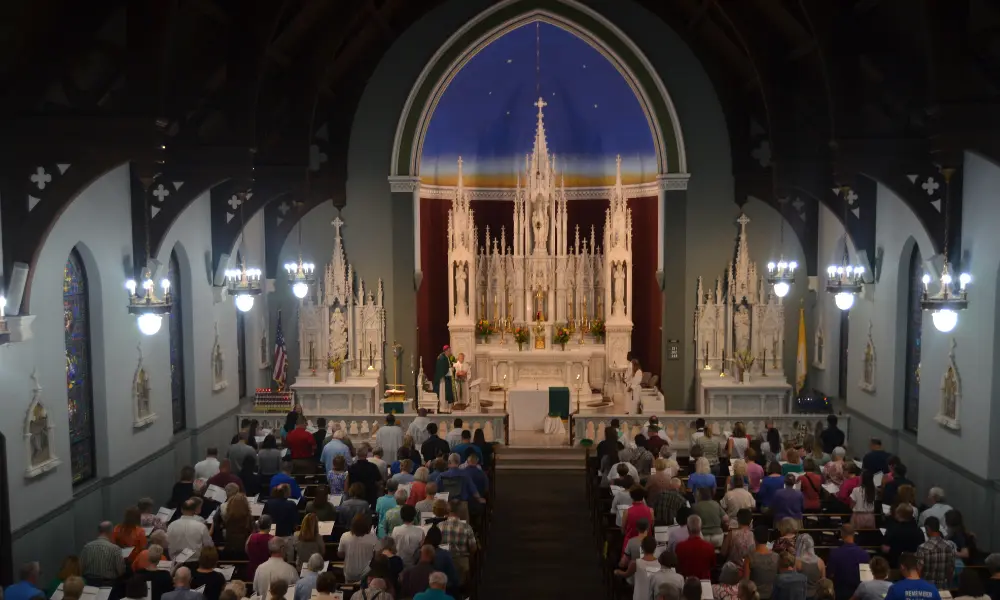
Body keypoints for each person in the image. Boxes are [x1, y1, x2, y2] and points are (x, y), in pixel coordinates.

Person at [826, 525, 870, 600]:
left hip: (840, 594)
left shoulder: (835, 553)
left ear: (842, 534)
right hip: (858, 594)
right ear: (854, 534)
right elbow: (867, 578)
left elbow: (830, 575)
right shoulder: (864, 554)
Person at [438, 500, 478, 583]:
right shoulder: (467, 527)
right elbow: (473, 548)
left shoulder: (439, 526)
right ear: (460, 512)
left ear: (448, 511)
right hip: (461, 566)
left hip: (443, 565)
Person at [614, 535, 660, 600]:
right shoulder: (660, 565)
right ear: (655, 548)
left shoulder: (635, 563)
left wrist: (617, 572)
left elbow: (625, 574)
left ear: (642, 548)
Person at [338, 514, 379, 583]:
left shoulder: (345, 536)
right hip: (366, 574)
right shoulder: (373, 537)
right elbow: (377, 555)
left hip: (350, 573)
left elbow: (340, 554)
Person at [917, 516, 955, 590]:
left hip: (927, 589)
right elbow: (951, 569)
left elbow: (919, 570)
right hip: (943, 587)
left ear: (928, 528)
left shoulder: (923, 547)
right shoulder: (950, 546)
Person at [881, 504, 925, 569]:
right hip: (914, 566)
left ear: (899, 514)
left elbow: (886, 547)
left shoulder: (895, 530)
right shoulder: (919, 531)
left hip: (896, 565)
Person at [676, 514, 716, 579]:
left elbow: (678, 566)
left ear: (688, 528)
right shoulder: (709, 547)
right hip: (704, 581)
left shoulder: (680, 546)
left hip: (685, 581)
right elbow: (712, 565)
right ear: (700, 528)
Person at [745, 527, 779, 600]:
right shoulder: (777, 557)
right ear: (767, 538)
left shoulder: (749, 557)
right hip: (773, 595)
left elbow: (746, 582)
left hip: (755, 596)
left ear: (754, 538)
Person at [795, 534, 826, 598]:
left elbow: (793, 581)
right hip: (815, 595)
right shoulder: (821, 562)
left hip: (800, 595)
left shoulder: (797, 562)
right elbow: (823, 582)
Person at [245, 516, 274, 581]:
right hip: (267, 571)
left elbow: (247, 550)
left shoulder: (251, 536)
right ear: (269, 526)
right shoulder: (272, 539)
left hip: (252, 569)